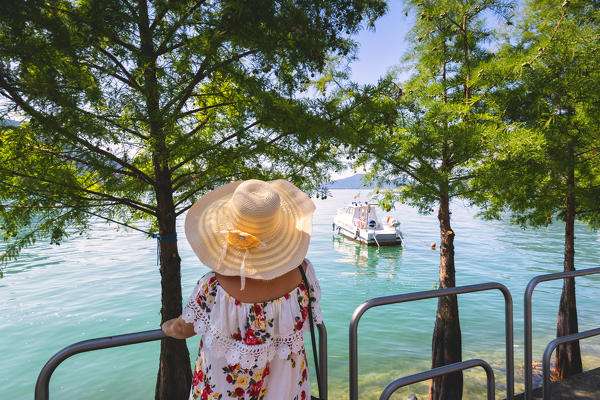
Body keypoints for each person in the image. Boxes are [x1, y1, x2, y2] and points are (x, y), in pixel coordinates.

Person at [161, 179, 322, 400]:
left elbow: (183, 329)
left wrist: (166, 326)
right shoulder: (304, 273)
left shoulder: (213, 287)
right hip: (286, 389)